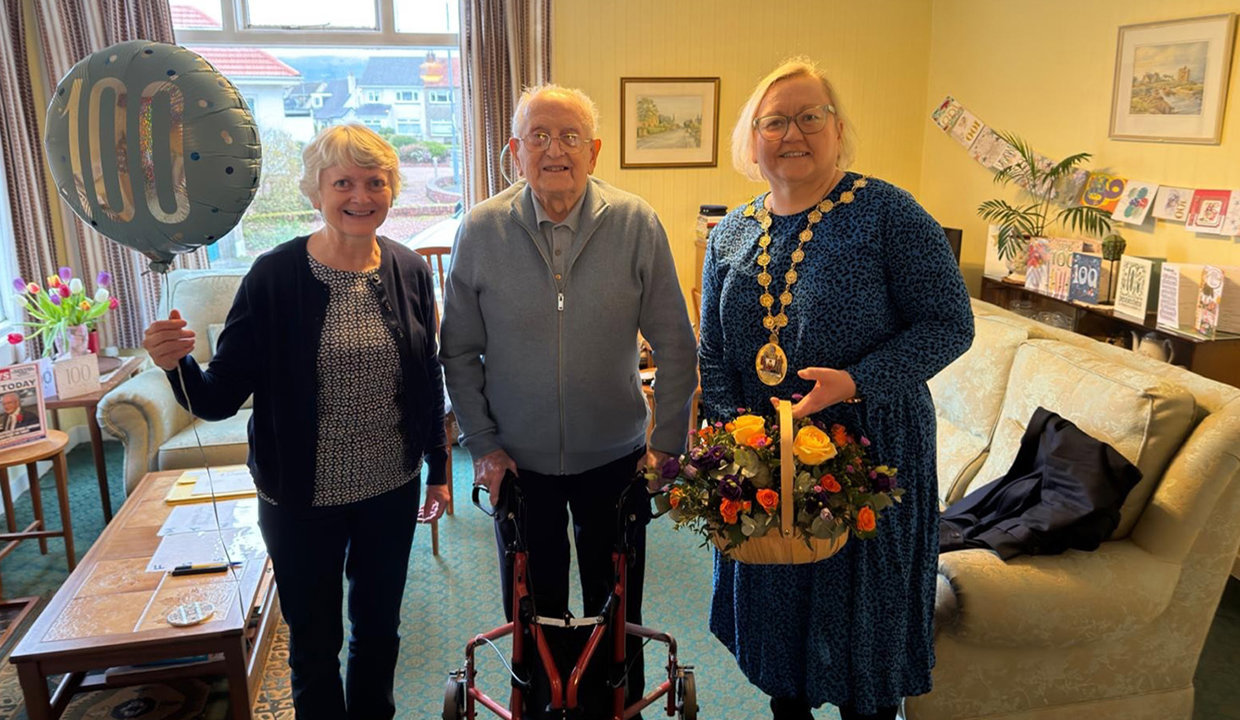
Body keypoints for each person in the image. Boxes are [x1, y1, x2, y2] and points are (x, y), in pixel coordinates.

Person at [142, 123, 449, 720]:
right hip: (300, 496)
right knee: (314, 646)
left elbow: (426, 374)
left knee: (379, 634)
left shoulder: (410, 269)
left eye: (374, 182)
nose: (360, 196)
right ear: (315, 192)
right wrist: (177, 365)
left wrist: (438, 468)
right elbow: (217, 398)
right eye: (343, 183)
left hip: (391, 487)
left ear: (392, 190)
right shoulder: (274, 276)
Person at [699, 58, 974, 720]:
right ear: (751, 139)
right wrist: (731, 439)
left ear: (838, 128)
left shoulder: (888, 213)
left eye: (810, 116)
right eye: (775, 121)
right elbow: (713, 349)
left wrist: (858, 380)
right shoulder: (731, 231)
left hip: (872, 452)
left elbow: (950, 325)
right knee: (777, 625)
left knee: (863, 640)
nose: (793, 133)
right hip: (765, 455)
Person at [440, 84, 698, 714]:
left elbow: (677, 345)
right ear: (514, 150)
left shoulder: (636, 223)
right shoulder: (480, 229)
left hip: (615, 458)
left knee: (617, 601)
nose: (555, 149)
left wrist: (664, 448)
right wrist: (485, 446)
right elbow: (458, 353)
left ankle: (615, 704)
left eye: (570, 136)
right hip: (517, 462)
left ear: (596, 149)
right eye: (539, 136)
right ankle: (540, 707)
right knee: (534, 603)